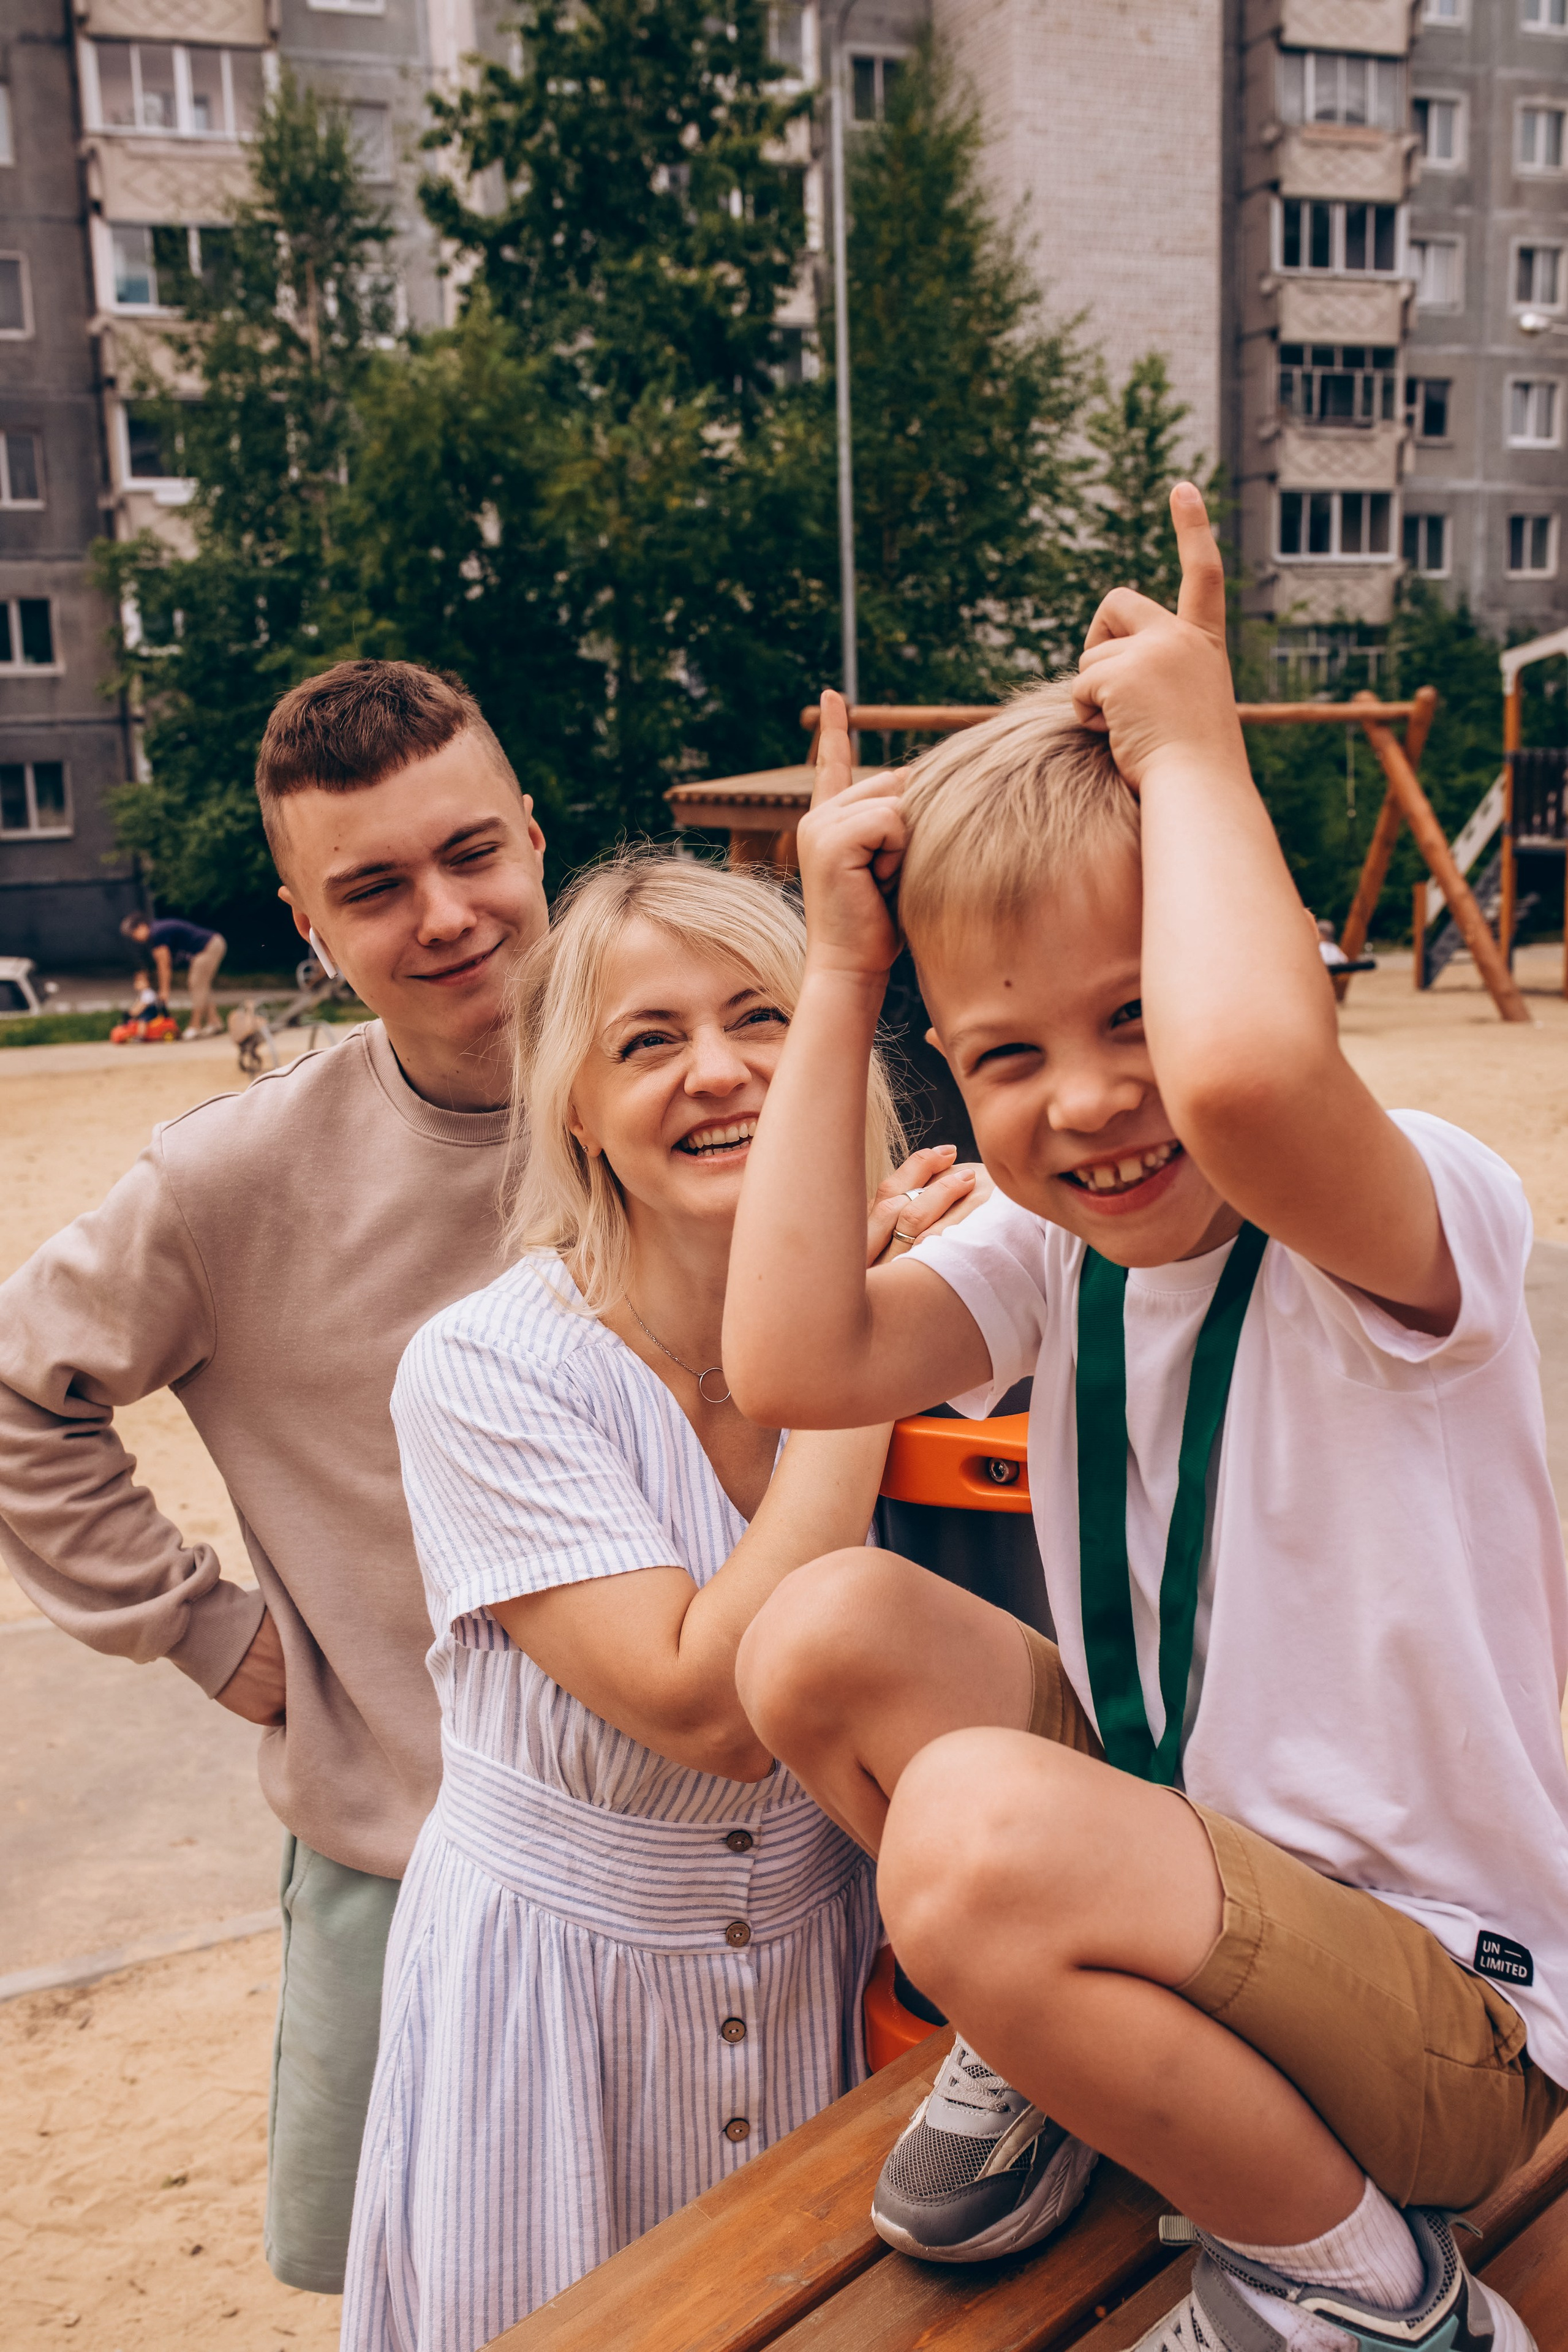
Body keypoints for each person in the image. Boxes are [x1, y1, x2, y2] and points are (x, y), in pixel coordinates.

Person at [724, 489, 1568, 2352]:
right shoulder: (1057, 1250)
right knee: (815, 1632)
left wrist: (1196, 750)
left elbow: (1250, 1081)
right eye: (1007, 1054)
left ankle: (1368, 2292)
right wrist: (839, 970)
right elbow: (786, 1359)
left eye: (1133, 1014)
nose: (1093, 1100)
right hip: (1196, 1884)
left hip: (1449, 2023)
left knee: (966, 1836)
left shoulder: (1397, 1206)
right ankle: (1062, 2034)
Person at [342, 853, 975, 2351]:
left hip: (827, 1978)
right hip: (552, 2012)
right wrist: (854, 1358)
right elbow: (708, 1709)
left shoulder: (950, 1291)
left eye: (761, 1016)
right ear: (572, 1104)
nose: (716, 1071)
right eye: (646, 1041)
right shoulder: (487, 1369)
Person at [0, 660, 548, 2297]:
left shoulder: (703, 1087)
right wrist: (199, 1626)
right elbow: (21, 1387)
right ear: (308, 926)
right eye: (373, 889)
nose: (444, 915)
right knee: (430, 2301)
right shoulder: (233, 1176)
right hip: (410, 1850)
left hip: (733, 1849)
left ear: (534, 838)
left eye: (471, 853)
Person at [120, 910, 228, 1038]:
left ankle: (195, 1026)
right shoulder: (157, 932)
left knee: (196, 984)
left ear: (141, 926)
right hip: (212, 944)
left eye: (134, 934)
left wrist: (164, 991)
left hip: (208, 947)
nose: (135, 939)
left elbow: (164, 965)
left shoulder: (157, 934)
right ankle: (214, 1023)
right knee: (202, 986)